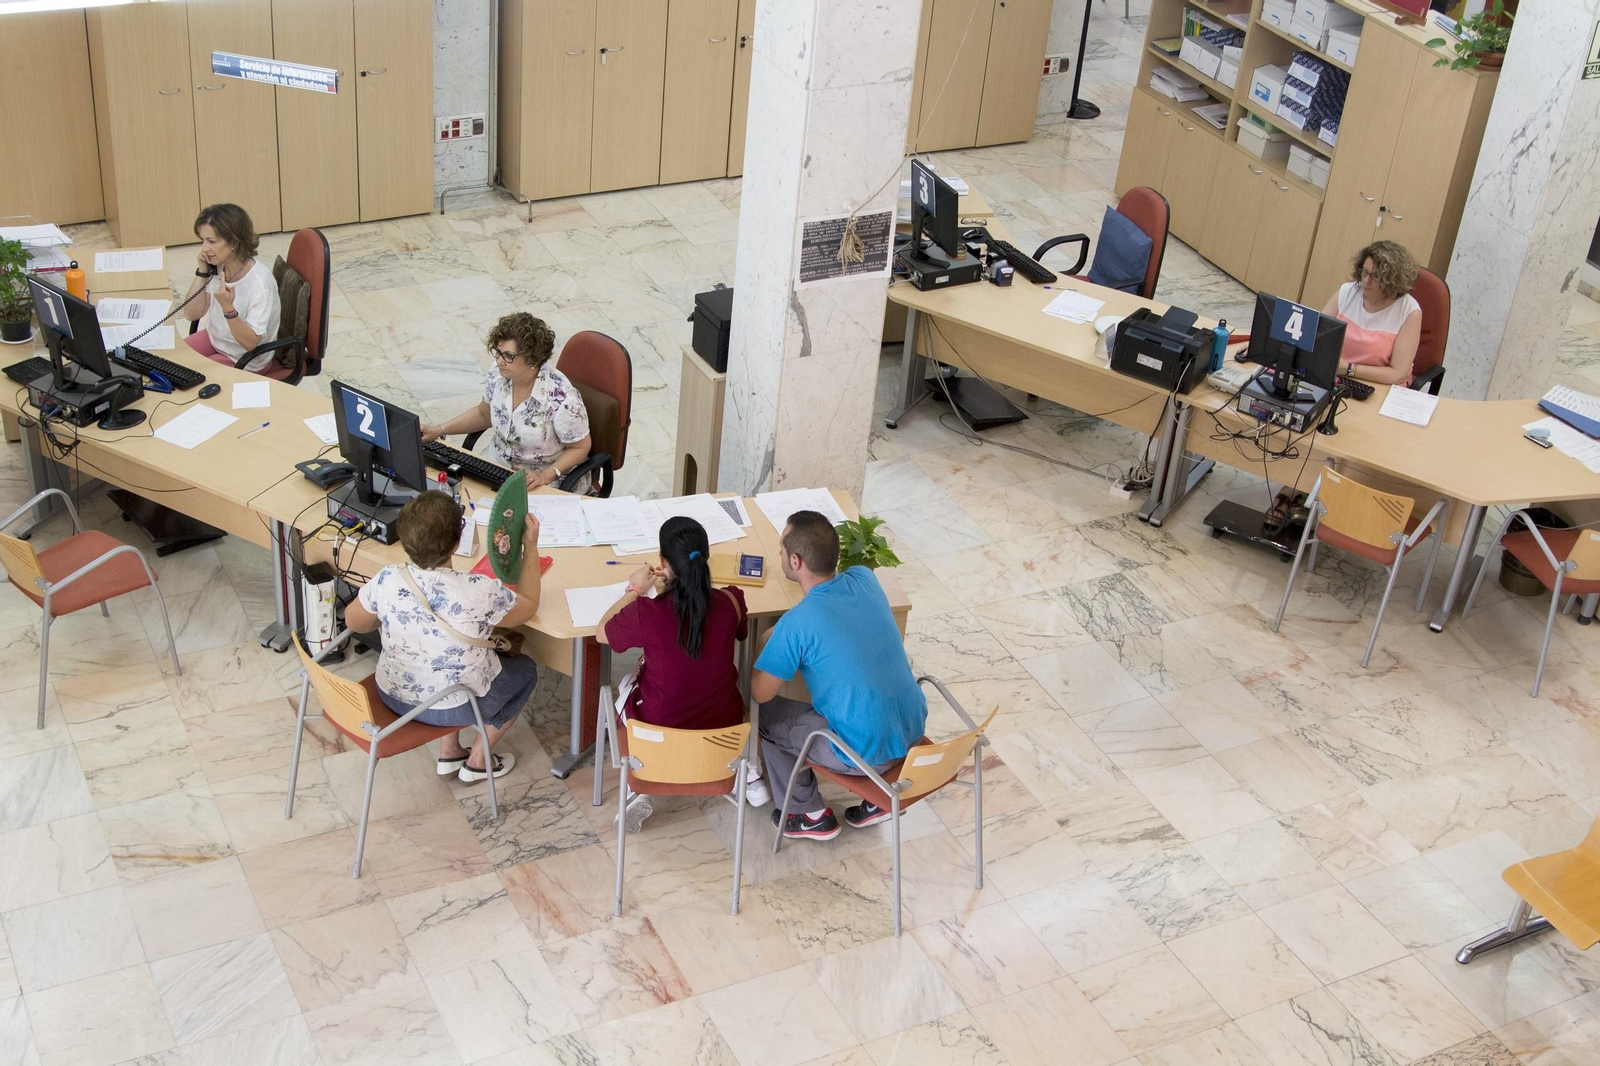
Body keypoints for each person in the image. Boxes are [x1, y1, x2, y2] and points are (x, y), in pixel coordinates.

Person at [343, 491, 543, 782]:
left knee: (444, 665)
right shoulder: (477, 590)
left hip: (391, 695)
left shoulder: (388, 578)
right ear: (457, 543)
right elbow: (528, 605)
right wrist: (531, 547)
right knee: (525, 670)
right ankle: (478, 760)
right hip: (453, 709)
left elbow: (355, 622)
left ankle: (450, 752)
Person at [750, 510, 927, 840]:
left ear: (796, 561)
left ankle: (807, 812)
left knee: (765, 716)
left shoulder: (797, 624)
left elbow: (761, 692)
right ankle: (877, 803)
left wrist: (769, 641)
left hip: (864, 756)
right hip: (912, 733)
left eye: (782, 548)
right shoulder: (865, 579)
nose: (779, 554)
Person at [597, 515, 770, 829]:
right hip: (722, 737)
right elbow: (739, 631)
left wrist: (634, 589)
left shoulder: (647, 610)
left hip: (661, 737)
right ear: (705, 558)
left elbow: (602, 632)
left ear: (663, 562)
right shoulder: (731, 600)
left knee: (625, 686)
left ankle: (638, 786)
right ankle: (751, 775)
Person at [421, 313, 592, 488]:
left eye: (508, 356)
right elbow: (483, 414)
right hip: (496, 464)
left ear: (533, 358)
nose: (500, 361)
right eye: (498, 353)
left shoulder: (562, 398)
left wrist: (546, 476)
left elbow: (580, 447)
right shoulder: (498, 373)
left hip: (539, 477)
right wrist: (438, 430)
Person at [181, 203, 282, 374]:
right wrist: (203, 272)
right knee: (172, 361)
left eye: (211, 241)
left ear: (234, 241)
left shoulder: (260, 284)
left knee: (194, 376)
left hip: (244, 357)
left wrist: (228, 309)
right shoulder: (218, 266)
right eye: (203, 240)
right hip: (216, 339)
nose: (204, 248)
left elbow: (250, 343)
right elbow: (191, 314)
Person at [1320, 240, 1423, 387]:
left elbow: (1397, 373)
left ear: (1392, 280)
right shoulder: (1347, 292)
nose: (1366, 281)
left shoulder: (1409, 311)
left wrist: (1349, 369)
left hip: (1381, 385)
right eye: (1365, 272)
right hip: (1336, 377)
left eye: (1375, 276)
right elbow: (1317, 337)